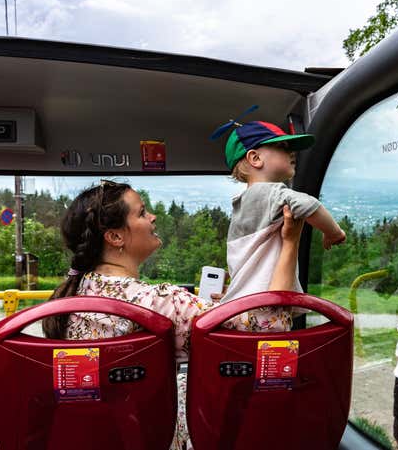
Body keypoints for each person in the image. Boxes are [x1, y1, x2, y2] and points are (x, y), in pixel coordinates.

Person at [42, 180, 305, 450]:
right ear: (115, 237)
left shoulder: (73, 293)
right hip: (150, 436)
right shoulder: (160, 304)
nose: (152, 217)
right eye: (142, 213)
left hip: (94, 435)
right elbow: (269, 331)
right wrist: (290, 243)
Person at [221, 120, 346, 306]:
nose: (292, 153)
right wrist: (333, 232)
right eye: (282, 146)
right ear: (255, 158)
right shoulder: (270, 193)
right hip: (267, 308)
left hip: (242, 307)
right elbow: (307, 204)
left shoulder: (242, 205)